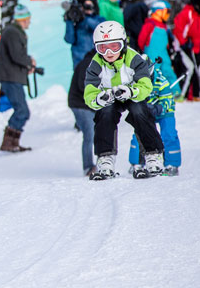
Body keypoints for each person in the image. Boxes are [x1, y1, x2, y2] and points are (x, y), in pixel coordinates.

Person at [84, 21, 163, 180]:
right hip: (110, 96)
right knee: (105, 113)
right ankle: (105, 157)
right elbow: (89, 92)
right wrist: (99, 98)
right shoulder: (96, 64)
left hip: (132, 93)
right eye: (102, 48)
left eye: (114, 46)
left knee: (139, 111)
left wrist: (131, 91)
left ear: (123, 44)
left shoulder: (134, 58)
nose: (108, 52)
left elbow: (146, 85)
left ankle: (153, 154)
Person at [0, 4, 36, 152]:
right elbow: (16, 56)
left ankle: (12, 142)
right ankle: (9, 142)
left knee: (22, 110)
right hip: (10, 78)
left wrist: (27, 67)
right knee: (22, 111)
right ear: (23, 19)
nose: (29, 22)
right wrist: (29, 61)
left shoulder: (13, 31)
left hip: (12, 76)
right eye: (28, 19)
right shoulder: (13, 32)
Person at [129, 65, 181, 176]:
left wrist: (158, 108)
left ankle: (172, 164)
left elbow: (167, 100)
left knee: (169, 134)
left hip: (165, 111)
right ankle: (137, 163)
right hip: (147, 111)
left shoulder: (161, 81)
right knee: (139, 134)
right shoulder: (133, 81)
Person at [173, 0, 200, 100]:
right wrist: (184, 43)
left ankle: (199, 95)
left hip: (198, 47)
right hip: (186, 48)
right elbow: (178, 28)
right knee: (189, 69)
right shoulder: (188, 13)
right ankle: (181, 94)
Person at [68, 50, 96, 177]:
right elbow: (83, 85)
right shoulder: (88, 63)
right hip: (80, 104)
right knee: (89, 134)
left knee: (94, 132)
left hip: (84, 105)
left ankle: (99, 162)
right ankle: (88, 167)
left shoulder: (89, 62)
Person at [138, 0, 178, 91]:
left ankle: (175, 92)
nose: (168, 15)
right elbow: (141, 39)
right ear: (158, 11)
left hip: (164, 53)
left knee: (168, 71)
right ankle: (151, 92)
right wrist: (142, 50)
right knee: (153, 72)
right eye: (167, 12)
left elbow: (167, 41)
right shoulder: (149, 24)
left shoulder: (164, 27)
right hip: (152, 53)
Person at [64, 0, 105, 68]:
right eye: (85, 6)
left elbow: (100, 29)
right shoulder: (76, 22)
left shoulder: (99, 19)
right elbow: (69, 39)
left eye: (89, 6)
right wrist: (69, 21)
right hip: (79, 59)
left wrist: (85, 18)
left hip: (96, 57)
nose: (88, 8)